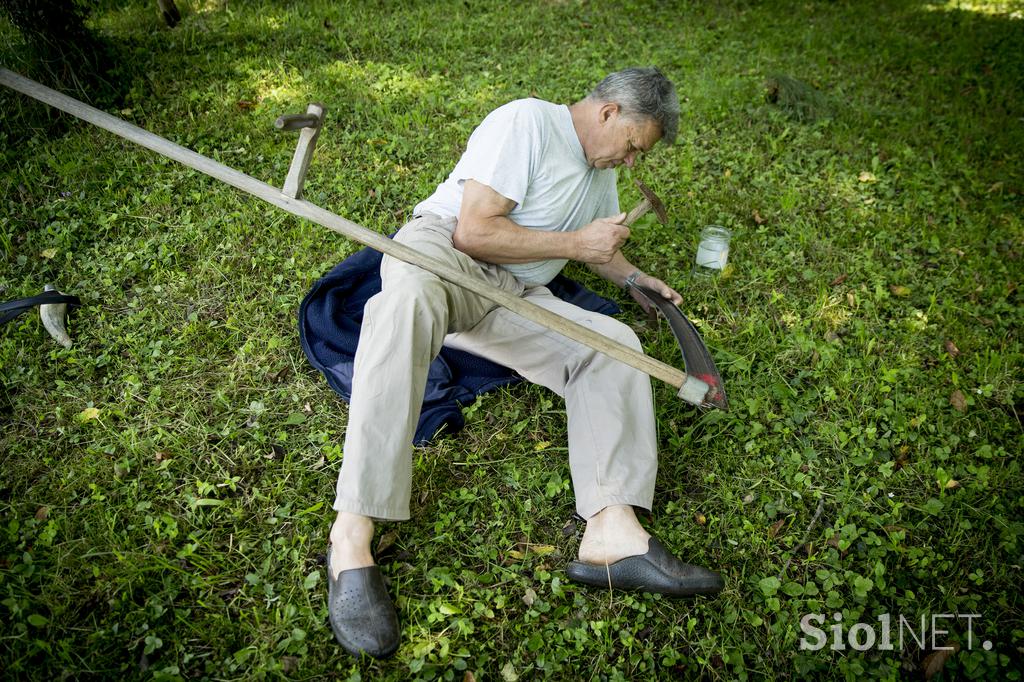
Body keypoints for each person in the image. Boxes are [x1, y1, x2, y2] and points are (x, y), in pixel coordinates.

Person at [325, 66, 724, 659]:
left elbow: (596, 248)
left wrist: (636, 278)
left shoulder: (599, 173)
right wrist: (573, 245)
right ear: (609, 112)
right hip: (442, 256)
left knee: (613, 346)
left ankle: (612, 534)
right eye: (633, 146)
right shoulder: (528, 122)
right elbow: (474, 230)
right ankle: (352, 538)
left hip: (512, 293)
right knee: (404, 304)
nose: (631, 162)